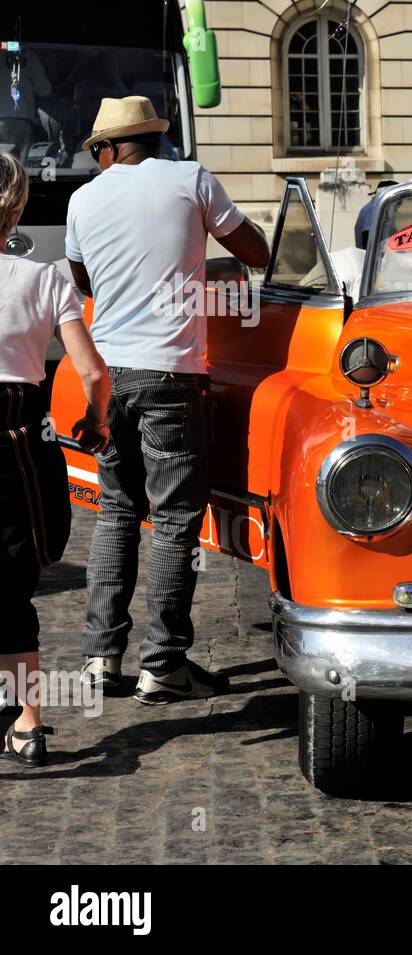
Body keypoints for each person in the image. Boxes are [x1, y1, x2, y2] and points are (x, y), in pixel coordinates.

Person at [65, 96, 270, 703]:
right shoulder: (191, 178)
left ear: (109, 148)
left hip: (105, 374)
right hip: (170, 377)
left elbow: (84, 282)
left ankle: (101, 660)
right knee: (175, 520)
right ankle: (164, 665)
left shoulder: (82, 199)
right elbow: (256, 253)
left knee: (118, 512)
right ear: (152, 139)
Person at [0, 151, 110, 767]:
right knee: (12, 587)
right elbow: (93, 372)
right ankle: (27, 720)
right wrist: (94, 425)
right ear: (17, 208)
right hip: (17, 447)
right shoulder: (43, 279)